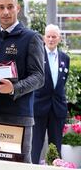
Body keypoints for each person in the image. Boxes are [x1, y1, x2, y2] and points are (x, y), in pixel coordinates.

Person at [0, 0, 44, 163]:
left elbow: (39, 76)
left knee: (20, 166)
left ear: (19, 8)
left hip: (19, 117)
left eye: (10, 6)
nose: (6, 12)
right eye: (1, 7)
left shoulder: (31, 38)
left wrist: (13, 89)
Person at [31, 24, 70, 164]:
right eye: (48, 36)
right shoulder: (37, 55)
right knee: (35, 145)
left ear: (59, 38)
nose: (51, 39)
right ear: (44, 38)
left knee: (56, 147)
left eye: (54, 36)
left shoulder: (65, 58)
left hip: (57, 108)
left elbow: (61, 83)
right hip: (39, 106)